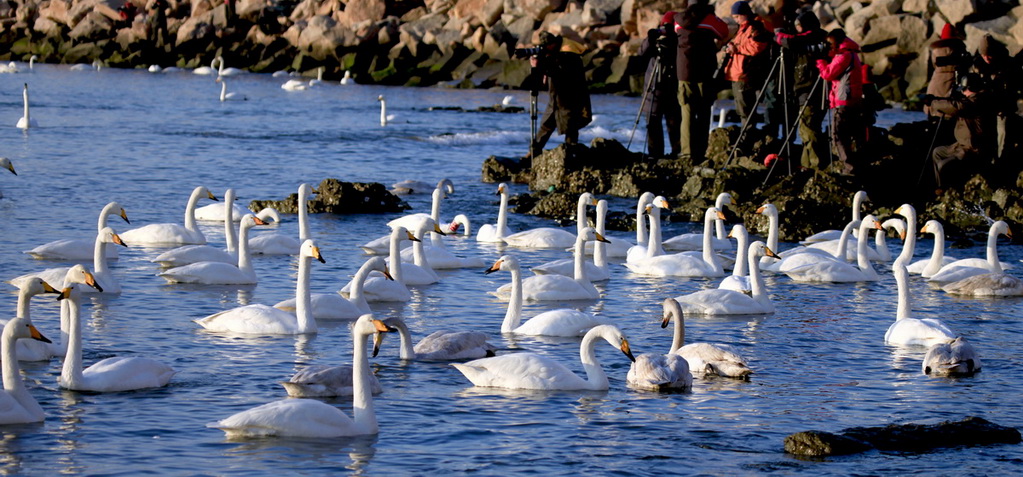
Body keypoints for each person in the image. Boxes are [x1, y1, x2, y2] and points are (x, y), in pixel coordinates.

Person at [673, 0, 726, 162]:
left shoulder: (678, 19)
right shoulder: (709, 20)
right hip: (704, 71)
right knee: (704, 112)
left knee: (686, 111)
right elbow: (723, 32)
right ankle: (700, 150)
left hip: (684, 71)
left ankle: (687, 151)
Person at [925, 73, 995, 194]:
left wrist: (934, 102)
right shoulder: (970, 100)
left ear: (971, 89)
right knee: (938, 152)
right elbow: (953, 106)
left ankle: (950, 191)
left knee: (943, 165)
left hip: (973, 148)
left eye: (964, 90)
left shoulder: (977, 101)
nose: (963, 92)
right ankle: (941, 188)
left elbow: (957, 107)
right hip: (961, 145)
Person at [774, 9, 827, 169]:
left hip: (810, 88)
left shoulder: (812, 37)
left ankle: (815, 165)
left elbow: (791, 41)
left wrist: (778, 35)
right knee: (808, 128)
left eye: (799, 25)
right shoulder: (820, 36)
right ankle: (806, 164)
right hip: (808, 89)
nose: (797, 28)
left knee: (808, 127)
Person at [525, 32, 592, 158]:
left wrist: (540, 65)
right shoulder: (555, 53)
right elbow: (546, 77)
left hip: (569, 97)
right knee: (545, 126)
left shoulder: (569, 53)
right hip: (555, 98)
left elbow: (560, 72)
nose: (545, 49)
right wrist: (537, 66)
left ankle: (571, 154)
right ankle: (533, 152)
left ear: (553, 44)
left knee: (570, 126)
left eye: (547, 46)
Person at [816, 28, 863, 174]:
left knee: (838, 135)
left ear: (839, 42)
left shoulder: (844, 56)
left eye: (831, 44)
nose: (830, 47)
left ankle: (849, 167)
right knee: (846, 134)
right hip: (850, 99)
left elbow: (827, 74)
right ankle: (853, 165)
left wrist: (820, 60)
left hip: (844, 101)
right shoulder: (851, 53)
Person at [638, 12, 682, 158]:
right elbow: (641, 53)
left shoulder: (680, 38)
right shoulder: (655, 40)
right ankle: (655, 154)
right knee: (653, 120)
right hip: (654, 85)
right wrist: (651, 38)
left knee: (673, 122)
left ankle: (676, 151)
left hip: (670, 85)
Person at [723, 1, 770, 129]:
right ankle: (747, 136)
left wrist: (736, 49)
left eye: (737, 17)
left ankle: (748, 137)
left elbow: (757, 46)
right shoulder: (743, 29)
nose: (736, 20)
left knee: (746, 111)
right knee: (742, 110)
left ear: (745, 14)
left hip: (745, 74)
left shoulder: (755, 27)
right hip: (738, 74)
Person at [924, 24, 969, 120]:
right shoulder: (958, 49)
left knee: (933, 117)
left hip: (935, 85)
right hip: (951, 86)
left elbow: (932, 65)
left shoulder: (935, 51)